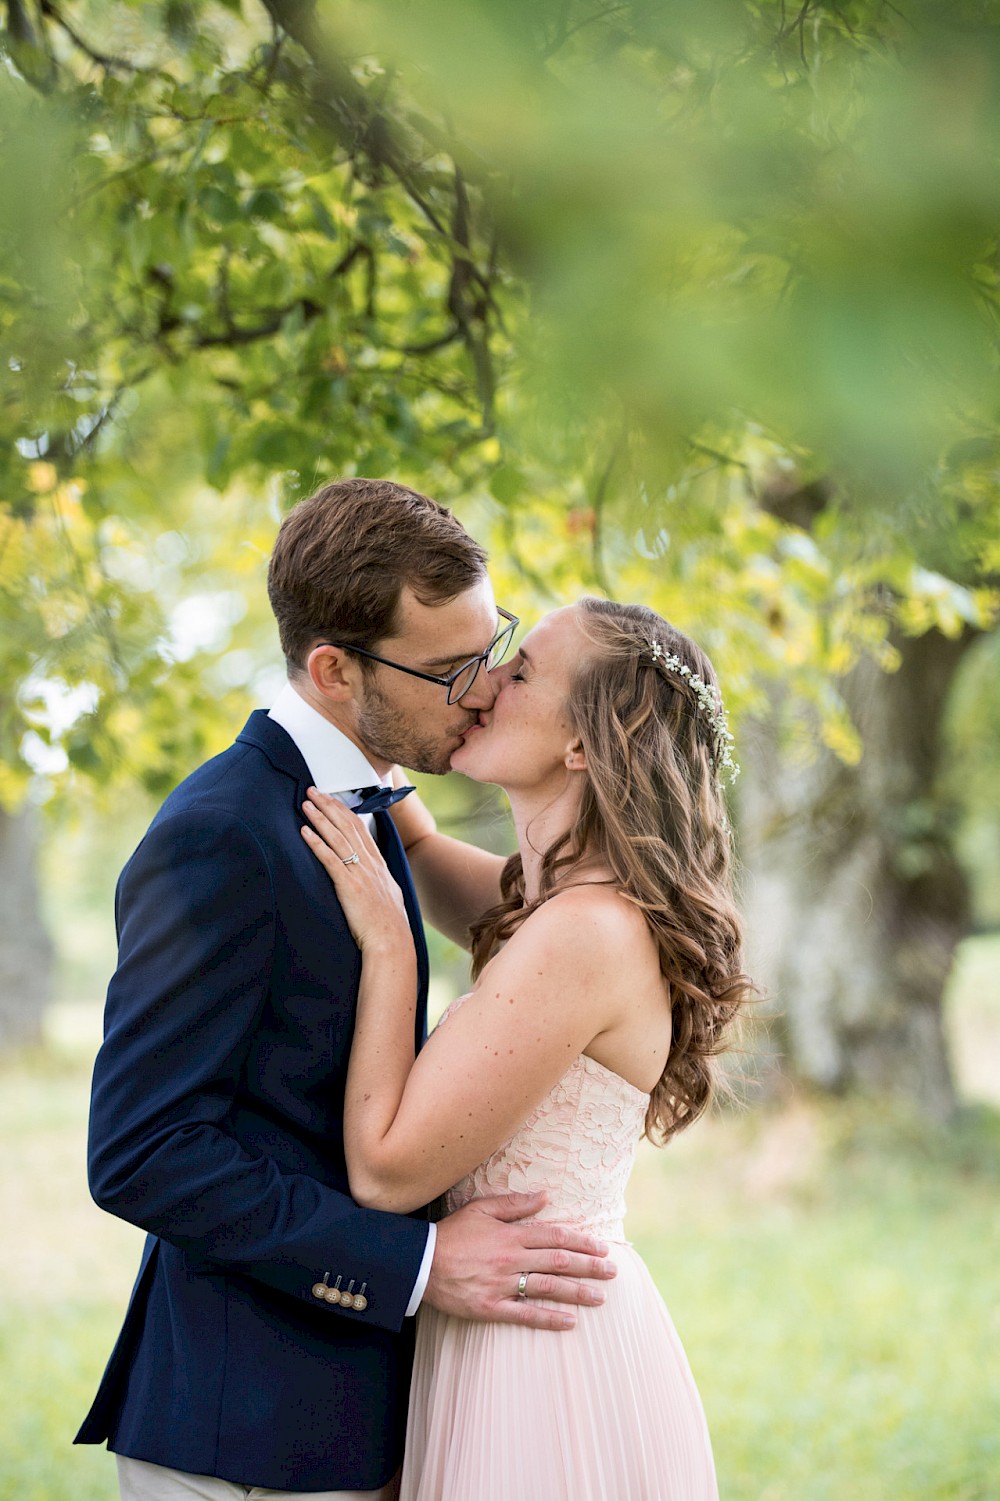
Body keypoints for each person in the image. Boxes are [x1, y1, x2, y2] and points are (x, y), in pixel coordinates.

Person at [75, 479, 616, 1501]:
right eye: (451, 669)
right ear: (333, 668)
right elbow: (141, 1153)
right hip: (249, 1430)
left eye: (489, 649)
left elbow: (534, 913)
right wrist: (412, 1267)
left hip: (362, 1411)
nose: (480, 689)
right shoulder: (223, 834)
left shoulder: (370, 804)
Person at [301, 595, 752, 1501]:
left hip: (541, 1362)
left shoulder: (586, 932)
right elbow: (416, 843)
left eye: (522, 671)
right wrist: (366, 712)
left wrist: (394, 949)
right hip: (507, 1327)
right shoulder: (549, 904)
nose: (484, 682)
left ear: (583, 744)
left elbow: (387, 1171)